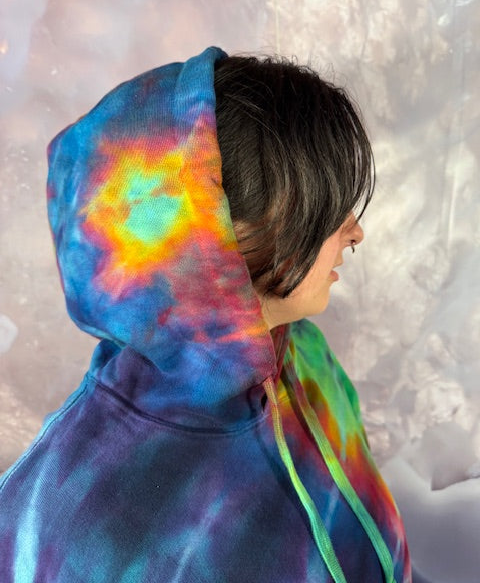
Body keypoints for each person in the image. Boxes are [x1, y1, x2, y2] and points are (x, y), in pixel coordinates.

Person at [0, 47, 411, 582]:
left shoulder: (303, 355)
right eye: (324, 207)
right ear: (212, 232)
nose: (355, 232)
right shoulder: (74, 522)